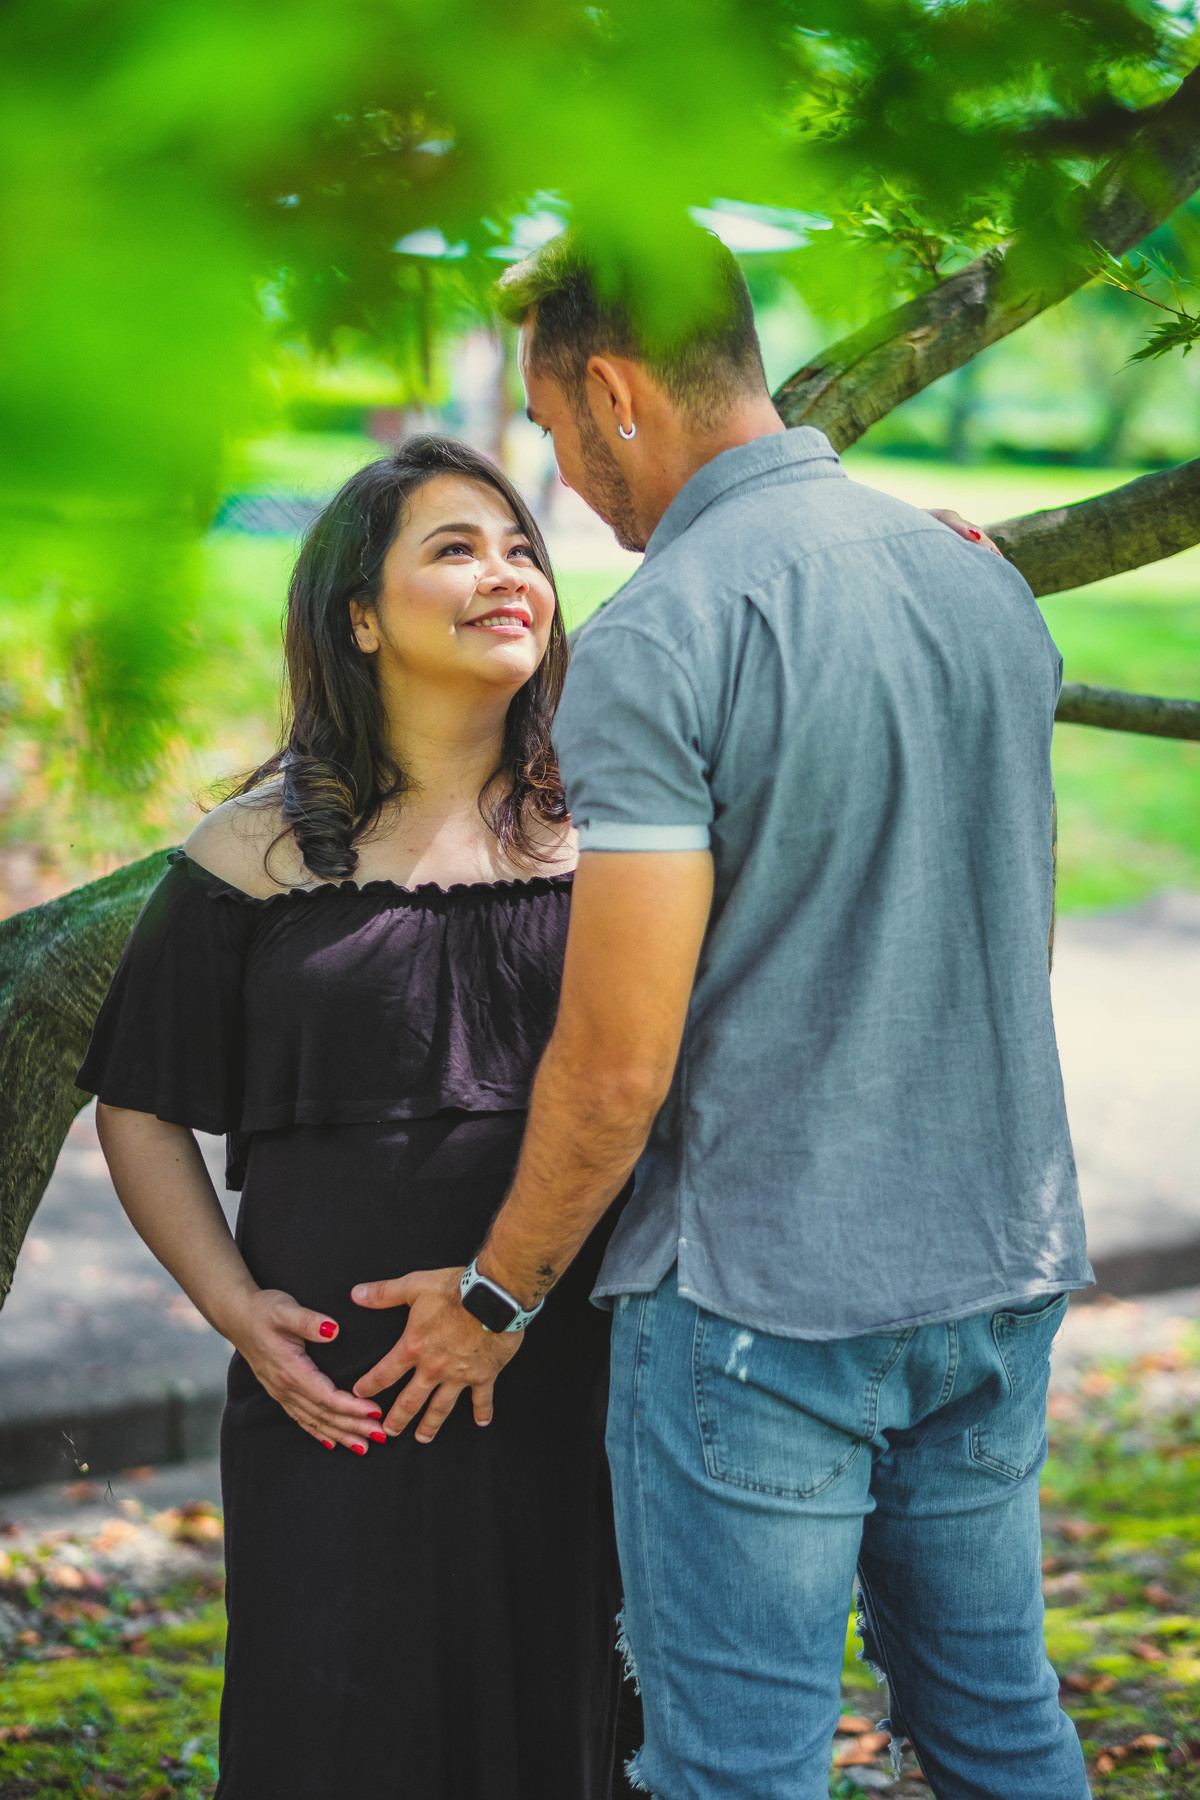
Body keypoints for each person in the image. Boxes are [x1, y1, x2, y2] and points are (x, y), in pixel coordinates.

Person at [382, 233, 1094, 1800]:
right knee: (1000, 1726)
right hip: (994, 1266)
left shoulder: (662, 632)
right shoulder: (982, 589)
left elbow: (620, 1054)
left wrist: (498, 1297)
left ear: (618, 395)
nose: (568, 486)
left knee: (735, 1774)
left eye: (561, 439)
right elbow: (988, 925)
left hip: (765, 1306)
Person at [76, 436, 639, 1800]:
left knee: (565, 1732)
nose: (506, 574)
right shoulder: (250, 854)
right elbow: (140, 1106)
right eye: (455, 548)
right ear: (361, 617)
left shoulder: (621, 837)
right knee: (337, 1732)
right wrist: (233, 1310)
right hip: (335, 1405)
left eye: (520, 549)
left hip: (574, 1376)